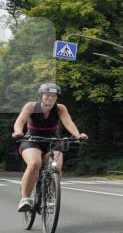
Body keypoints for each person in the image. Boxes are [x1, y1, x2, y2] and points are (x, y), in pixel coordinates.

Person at [12, 83, 88, 212]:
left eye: (53, 95)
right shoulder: (31, 106)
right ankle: (25, 199)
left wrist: (78, 135)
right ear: (41, 95)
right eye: (47, 95)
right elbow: (20, 121)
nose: (50, 98)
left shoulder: (60, 108)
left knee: (56, 168)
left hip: (52, 140)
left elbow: (68, 122)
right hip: (32, 140)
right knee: (35, 163)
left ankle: (49, 197)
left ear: (57, 97)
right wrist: (18, 132)